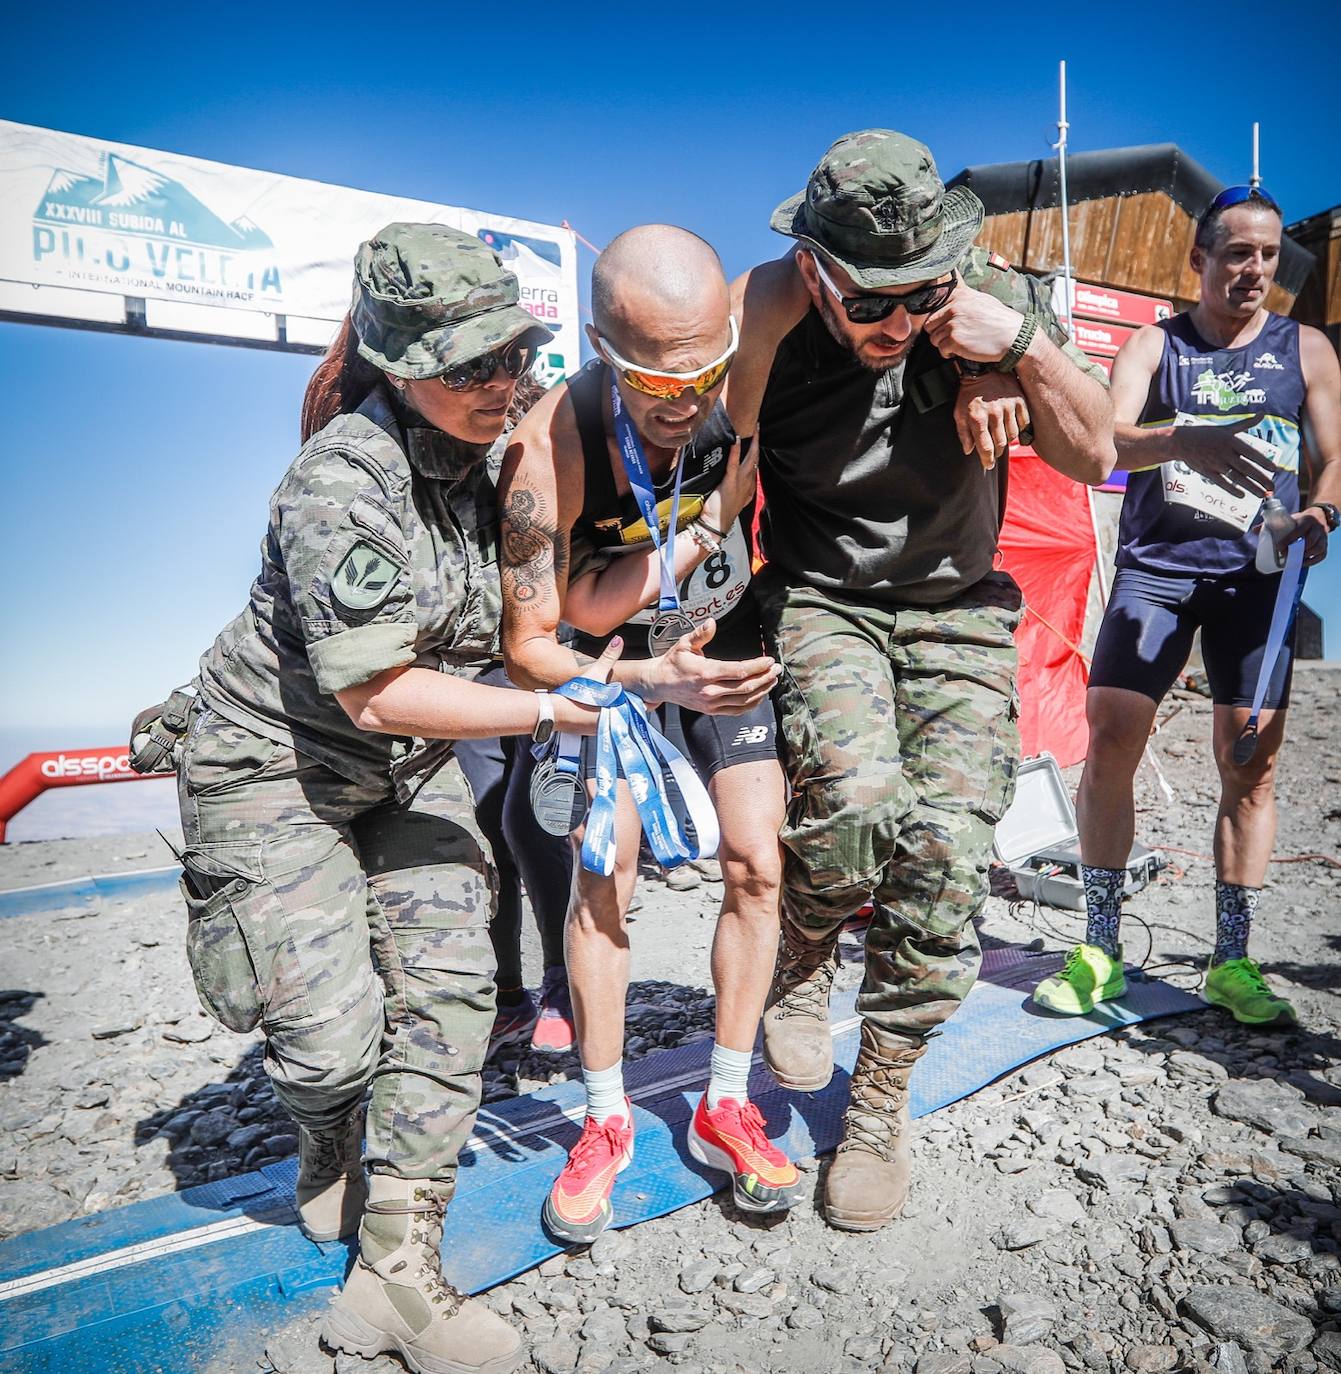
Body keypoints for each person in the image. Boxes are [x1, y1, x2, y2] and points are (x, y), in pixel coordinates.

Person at [171, 223, 620, 1374]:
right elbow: (375, 694)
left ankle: (398, 1274)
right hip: (271, 767)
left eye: (512, 355)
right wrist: (545, 714)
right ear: (395, 364)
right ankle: (328, 1137)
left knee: (455, 989)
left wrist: (632, 677)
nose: (498, 385)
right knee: (328, 1049)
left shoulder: (505, 469)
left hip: (400, 774)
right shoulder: (340, 481)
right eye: (465, 365)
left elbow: (529, 642)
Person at [725, 129, 1115, 1232]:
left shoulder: (982, 298)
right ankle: (804, 945)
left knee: (947, 845)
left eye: (920, 294)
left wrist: (1020, 349)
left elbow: (1097, 453)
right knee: (853, 801)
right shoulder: (775, 308)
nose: (900, 323)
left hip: (953, 604)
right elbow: (719, 471)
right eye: (870, 303)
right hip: (820, 595)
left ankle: (882, 1096)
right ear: (815, 267)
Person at [498, 225, 805, 1244]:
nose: (685, 405)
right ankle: (605, 1119)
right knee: (605, 875)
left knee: (760, 864)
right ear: (597, 345)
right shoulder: (551, 446)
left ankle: (725, 1100)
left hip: (727, 652)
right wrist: (638, 657)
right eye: (653, 384)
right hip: (623, 670)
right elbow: (531, 646)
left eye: (705, 375)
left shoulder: (738, 360)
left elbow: (830, 270)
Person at [1033, 184, 1341, 1023]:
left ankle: (1230, 962)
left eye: (1268, 254)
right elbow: (1101, 443)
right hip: (1159, 567)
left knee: (1251, 763)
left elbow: (1333, 454)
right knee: (1109, 733)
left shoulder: (1305, 348)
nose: (1253, 269)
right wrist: (1179, 438)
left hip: (1259, 577)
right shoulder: (1152, 345)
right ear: (1198, 259)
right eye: (1235, 252)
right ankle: (1098, 950)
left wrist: (1323, 512)